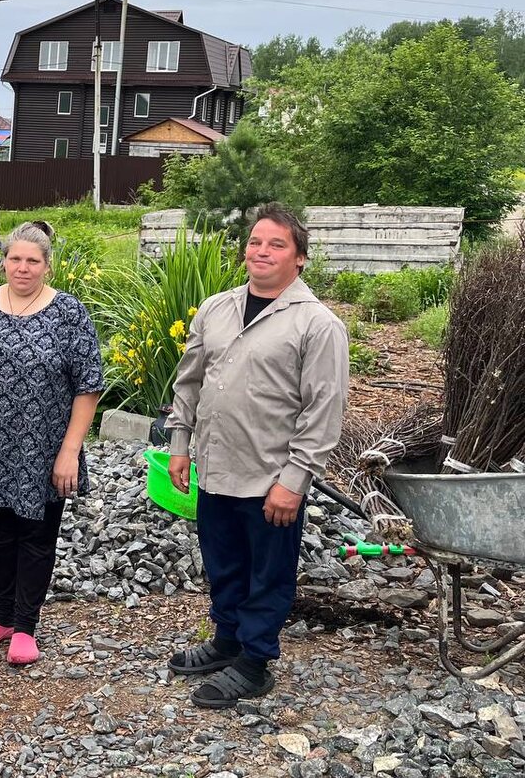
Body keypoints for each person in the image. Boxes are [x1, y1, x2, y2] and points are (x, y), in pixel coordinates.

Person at [165, 204, 349, 709]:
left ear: (301, 258)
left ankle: (255, 661)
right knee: (222, 562)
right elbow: (190, 380)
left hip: (271, 476)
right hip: (217, 465)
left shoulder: (317, 324)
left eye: (277, 244)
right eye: (255, 242)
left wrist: (294, 479)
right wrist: (180, 444)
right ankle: (227, 641)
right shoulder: (216, 308)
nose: (261, 252)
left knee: (268, 571)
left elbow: (324, 408)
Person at [0, 221, 103, 666]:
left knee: (38, 534)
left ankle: (26, 626)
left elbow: (88, 385)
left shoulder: (68, 313)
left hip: (45, 446)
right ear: (3, 262)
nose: (22, 267)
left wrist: (70, 450)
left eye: (32, 261)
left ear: (46, 266)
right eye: (15, 259)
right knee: (1, 532)